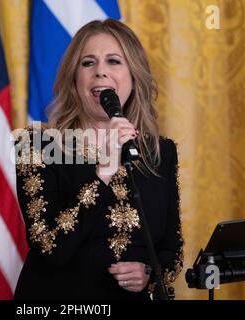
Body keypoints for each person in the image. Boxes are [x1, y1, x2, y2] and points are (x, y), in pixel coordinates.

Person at [14, 19, 183, 300]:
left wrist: (150, 274)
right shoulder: (36, 145)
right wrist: (104, 170)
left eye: (114, 61)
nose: (101, 72)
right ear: (74, 78)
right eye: (88, 63)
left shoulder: (160, 152)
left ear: (134, 76)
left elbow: (171, 249)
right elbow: (50, 247)